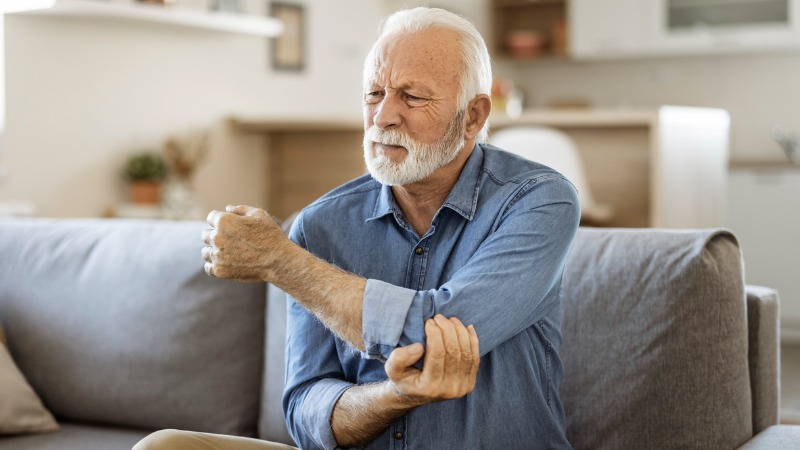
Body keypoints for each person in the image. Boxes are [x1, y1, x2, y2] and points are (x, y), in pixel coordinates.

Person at [134, 6, 578, 450]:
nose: (382, 116)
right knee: (165, 446)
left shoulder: (538, 200)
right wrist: (393, 397)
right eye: (373, 93)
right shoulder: (319, 225)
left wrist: (281, 261)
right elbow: (305, 409)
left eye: (412, 96)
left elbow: (432, 335)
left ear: (473, 116)